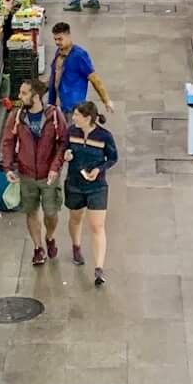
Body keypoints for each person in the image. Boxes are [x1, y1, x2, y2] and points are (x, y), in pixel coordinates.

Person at [0, 78, 68, 267]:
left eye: (24, 93)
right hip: (27, 174)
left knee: (51, 213)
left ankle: (50, 237)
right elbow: (8, 142)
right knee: (31, 212)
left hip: (49, 176)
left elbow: (63, 143)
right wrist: (8, 166)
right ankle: (38, 248)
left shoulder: (54, 116)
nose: (20, 97)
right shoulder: (17, 117)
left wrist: (55, 167)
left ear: (36, 96)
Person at [64, 100, 118, 287]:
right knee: (75, 218)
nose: (74, 118)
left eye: (77, 115)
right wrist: (66, 155)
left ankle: (98, 268)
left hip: (97, 186)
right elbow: (63, 149)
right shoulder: (71, 132)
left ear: (87, 118)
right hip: (74, 184)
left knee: (97, 226)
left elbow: (113, 157)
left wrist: (100, 169)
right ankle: (76, 246)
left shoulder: (105, 136)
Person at [48, 22, 110, 114]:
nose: (57, 42)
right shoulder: (59, 52)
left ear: (68, 36)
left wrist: (106, 101)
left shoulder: (79, 56)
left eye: (60, 39)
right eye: (55, 39)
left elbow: (95, 79)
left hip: (73, 108)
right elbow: (55, 77)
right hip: (59, 106)